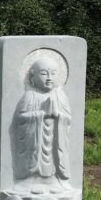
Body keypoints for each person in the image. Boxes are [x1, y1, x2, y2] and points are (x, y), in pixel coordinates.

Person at [11, 57, 72, 190]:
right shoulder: (30, 96)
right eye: (44, 73)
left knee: (53, 159)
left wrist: (58, 116)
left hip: (54, 142)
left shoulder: (60, 96)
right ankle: (32, 180)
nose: (49, 78)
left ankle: (53, 180)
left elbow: (68, 120)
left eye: (53, 73)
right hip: (34, 144)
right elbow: (20, 118)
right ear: (32, 75)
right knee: (35, 156)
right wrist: (41, 115)